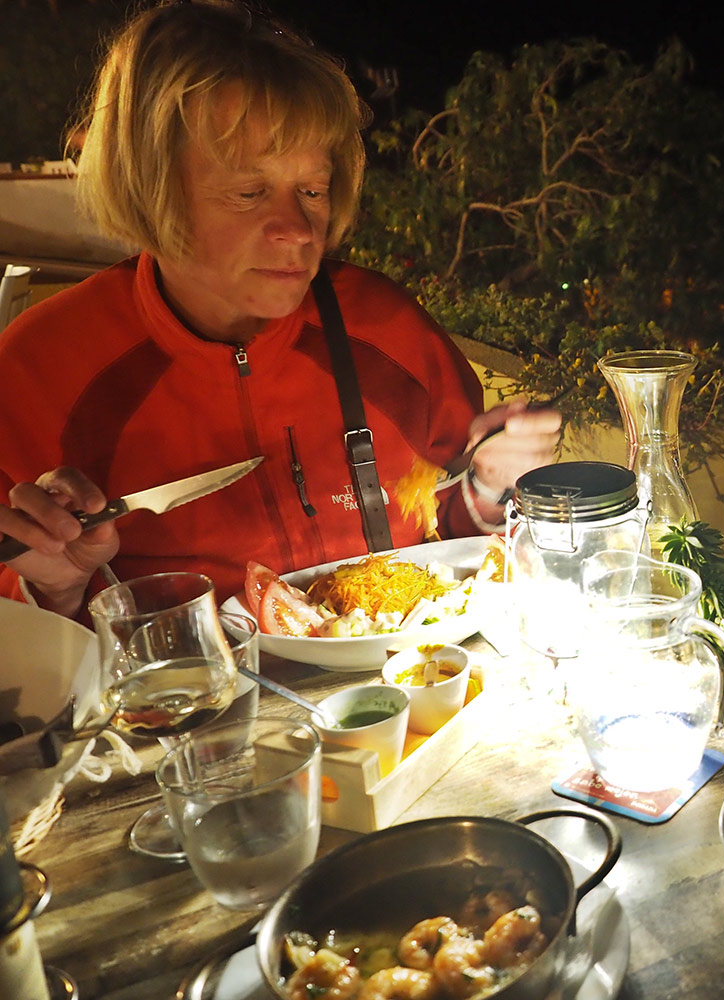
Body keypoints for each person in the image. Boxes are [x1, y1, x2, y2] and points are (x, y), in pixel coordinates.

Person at [0, 0, 561, 621]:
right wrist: (52, 592)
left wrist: (487, 482)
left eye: (312, 190)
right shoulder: (37, 372)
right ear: (151, 187)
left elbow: (450, 529)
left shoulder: (386, 329)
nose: (299, 230)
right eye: (250, 191)